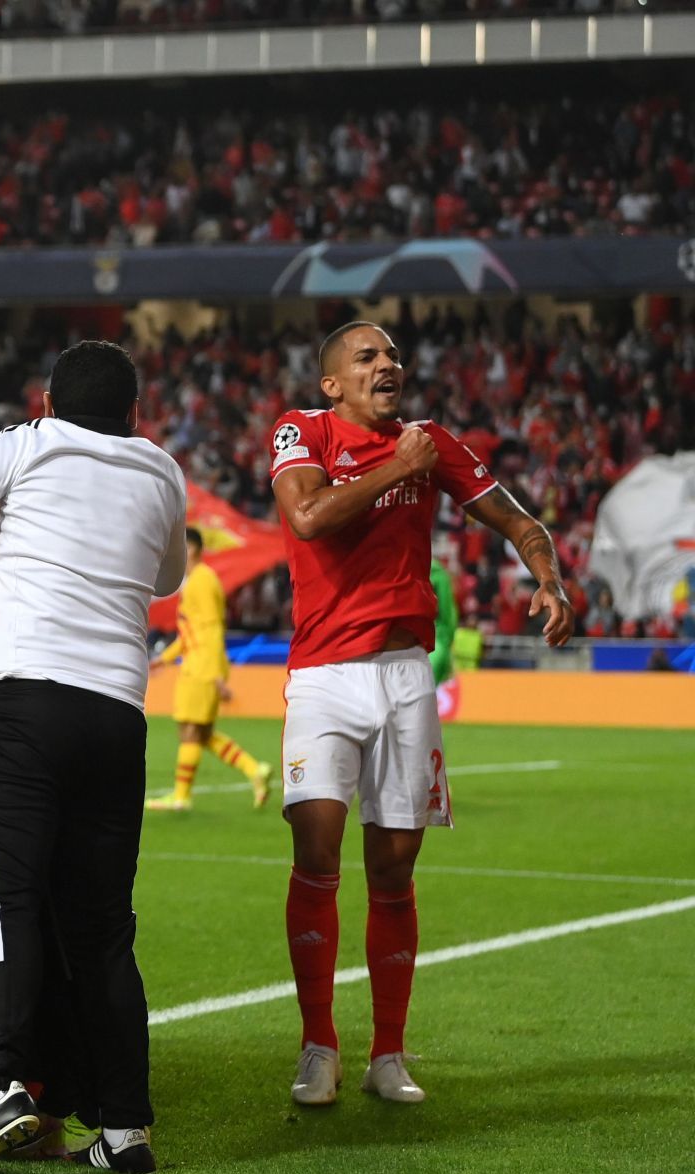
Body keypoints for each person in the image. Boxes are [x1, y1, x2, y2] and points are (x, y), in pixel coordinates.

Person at [0, 340, 187, 1174]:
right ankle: (125, 1124)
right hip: (117, 716)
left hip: (26, 705)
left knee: (0, 900)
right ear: (133, 412)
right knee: (101, 930)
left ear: (51, 400)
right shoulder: (161, 470)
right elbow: (167, 576)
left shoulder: (31, 442)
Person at [270, 321, 571, 1107]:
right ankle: (318, 1044)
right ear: (332, 381)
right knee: (318, 845)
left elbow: (516, 518)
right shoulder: (302, 431)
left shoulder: (428, 440)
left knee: (394, 866)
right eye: (368, 356)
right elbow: (306, 519)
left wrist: (548, 576)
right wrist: (397, 470)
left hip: (405, 675)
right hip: (324, 673)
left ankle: (389, 1053)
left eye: (394, 356)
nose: (388, 365)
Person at [146, 527, 270, 813]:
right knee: (201, 733)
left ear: (191, 549)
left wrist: (217, 675)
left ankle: (181, 796)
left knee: (190, 731)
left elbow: (213, 630)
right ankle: (255, 770)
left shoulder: (203, 581)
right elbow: (190, 632)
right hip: (196, 664)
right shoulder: (196, 581)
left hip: (201, 668)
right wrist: (164, 658)